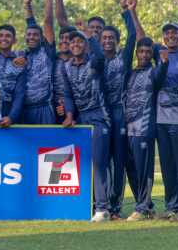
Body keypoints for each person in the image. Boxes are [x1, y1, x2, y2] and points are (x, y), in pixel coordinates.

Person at [61, 20, 111, 222]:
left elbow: (100, 55)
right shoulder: (66, 67)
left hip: (99, 115)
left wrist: (87, 32)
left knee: (98, 163)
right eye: (72, 41)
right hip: (81, 117)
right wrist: (69, 114)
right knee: (80, 163)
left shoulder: (94, 61)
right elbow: (67, 94)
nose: (76, 44)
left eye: (80, 41)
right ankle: (84, 206)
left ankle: (102, 209)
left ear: (87, 45)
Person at [100, 0, 140, 220]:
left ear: (116, 40)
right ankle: (100, 204)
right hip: (99, 114)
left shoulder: (123, 58)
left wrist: (126, 9)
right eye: (104, 37)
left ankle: (115, 206)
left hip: (118, 112)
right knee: (102, 161)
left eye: (111, 37)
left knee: (119, 161)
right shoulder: (95, 58)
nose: (107, 40)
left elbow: (132, 34)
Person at [153, 20, 178, 221]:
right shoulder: (159, 54)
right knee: (167, 167)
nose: (170, 35)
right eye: (167, 32)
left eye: (174, 32)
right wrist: (131, 11)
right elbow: (140, 36)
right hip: (161, 121)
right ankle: (171, 207)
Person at [124, 38, 168, 221]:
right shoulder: (131, 72)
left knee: (144, 170)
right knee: (131, 169)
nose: (144, 55)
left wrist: (164, 62)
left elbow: (160, 76)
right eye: (141, 51)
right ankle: (149, 208)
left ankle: (141, 208)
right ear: (136, 53)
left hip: (144, 128)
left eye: (148, 52)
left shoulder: (154, 71)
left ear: (152, 53)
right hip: (128, 129)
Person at [29, 0, 74, 124]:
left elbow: (63, 20)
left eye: (68, 39)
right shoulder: (53, 57)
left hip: (75, 111)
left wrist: (69, 108)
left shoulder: (81, 61)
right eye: (61, 38)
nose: (64, 41)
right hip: (52, 110)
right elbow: (46, 23)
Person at [20, 0, 56, 125]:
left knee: (46, 142)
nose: (31, 37)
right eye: (28, 35)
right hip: (24, 110)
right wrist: (28, 5)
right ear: (24, 38)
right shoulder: (20, 56)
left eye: (36, 35)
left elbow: (48, 21)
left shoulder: (46, 51)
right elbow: (32, 27)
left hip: (44, 109)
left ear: (42, 39)